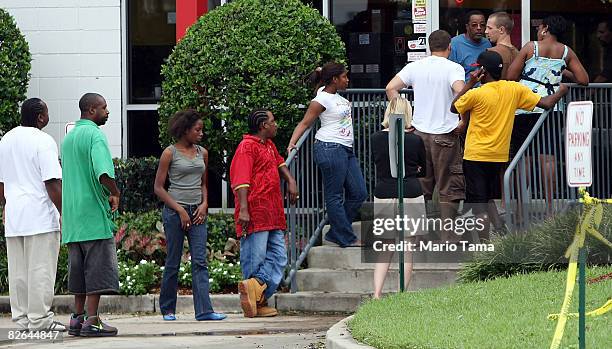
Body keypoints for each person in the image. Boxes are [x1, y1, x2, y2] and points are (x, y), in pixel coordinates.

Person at [451, 51, 569, 240]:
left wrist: (470, 83)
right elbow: (546, 103)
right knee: (487, 194)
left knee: (479, 202)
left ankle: (484, 244)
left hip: (475, 155)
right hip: (499, 155)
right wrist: (561, 91)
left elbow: (453, 106)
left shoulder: (476, 93)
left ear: (482, 71)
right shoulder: (514, 89)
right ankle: (498, 227)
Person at [386, 30, 466, 242]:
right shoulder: (454, 68)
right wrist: (462, 118)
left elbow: (391, 88)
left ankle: (418, 236)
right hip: (446, 134)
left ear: (430, 47)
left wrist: (404, 117)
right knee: (449, 187)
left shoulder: (415, 67)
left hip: (419, 134)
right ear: (450, 46)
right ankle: (447, 235)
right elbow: (460, 91)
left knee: (422, 187)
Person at [506, 15, 589, 212]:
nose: (537, 30)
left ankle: (520, 209)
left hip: (526, 107)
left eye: (539, 27)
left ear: (545, 28)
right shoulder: (566, 52)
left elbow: (510, 75)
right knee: (549, 157)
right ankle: (551, 209)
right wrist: (561, 71)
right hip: (553, 109)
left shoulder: (530, 47)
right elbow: (584, 79)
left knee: (523, 157)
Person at [153, 110, 226, 321]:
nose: (201, 133)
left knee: (200, 262)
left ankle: (204, 311)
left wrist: (204, 204)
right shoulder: (170, 153)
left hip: (197, 212)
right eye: (197, 129)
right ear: (185, 130)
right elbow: (159, 187)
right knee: (173, 261)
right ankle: (168, 309)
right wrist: (180, 210)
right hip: (176, 212)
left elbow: (203, 183)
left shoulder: (202, 152)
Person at [0, 98, 65, 332]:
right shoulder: (43, 141)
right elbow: (52, 182)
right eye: (47, 112)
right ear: (40, 117)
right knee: (40, 270)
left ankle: (22, 320)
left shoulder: (6, 139)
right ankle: (40, 320)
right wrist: (64, 212)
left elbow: (1, 182)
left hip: (15, 215)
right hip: (39, 215)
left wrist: (5, 206)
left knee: (18, 272)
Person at [287, 62, 367, 247]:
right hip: (329, 148)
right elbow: (305, 123)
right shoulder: (321, 99)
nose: (347, 79)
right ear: (334, 79)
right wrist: (293, 143)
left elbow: (319, 79)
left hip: (345, 149)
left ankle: (335, 232)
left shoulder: (328, 92)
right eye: (344, 77)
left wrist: (319, 72)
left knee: (359, 192)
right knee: (335, 195)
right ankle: (346, 237)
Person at [61, 93, 121, 337]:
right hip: (93, 215)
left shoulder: (69, 137)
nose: (107, 112)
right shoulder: (96, 135)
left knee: (78, 270)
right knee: (95, 270)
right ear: (92, 110)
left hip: (73, 217)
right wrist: (115, 192)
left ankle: (77, 319)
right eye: (104, 108)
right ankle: (93, 320)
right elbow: (103, 173)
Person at [230, 109, 298, 318]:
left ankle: (256, 292)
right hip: (254, 212)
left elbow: (279, 162)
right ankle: (256, 303)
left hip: (273, 212)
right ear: (262, 126)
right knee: (255, 259)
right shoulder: (246, 147)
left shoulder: (268, 145)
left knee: (279, 257)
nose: (275, 124)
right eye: (272, 121)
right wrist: (243, 209)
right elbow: (240, 179)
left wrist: (290, 180)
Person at [370, 98, 426, 299]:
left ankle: (377, 293)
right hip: (410, 190)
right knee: (408, 247)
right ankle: (402, 293)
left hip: (384, 190)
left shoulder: (375, 138)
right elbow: (424, 169)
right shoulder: (415, 140)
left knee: (385, 246)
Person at [450, 10, 492, 82]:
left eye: (482, 25)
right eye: (474, 25)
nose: (479, 28)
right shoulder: (455, 43)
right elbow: (451, 74)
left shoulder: (487, 43)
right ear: (467, 27)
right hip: (464, 90)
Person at [485, 11, 519, 79]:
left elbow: (487, 84)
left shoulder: (491, 53)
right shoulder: (518, 53)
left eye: (490, 28)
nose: (486, 31)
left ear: (501, 29)